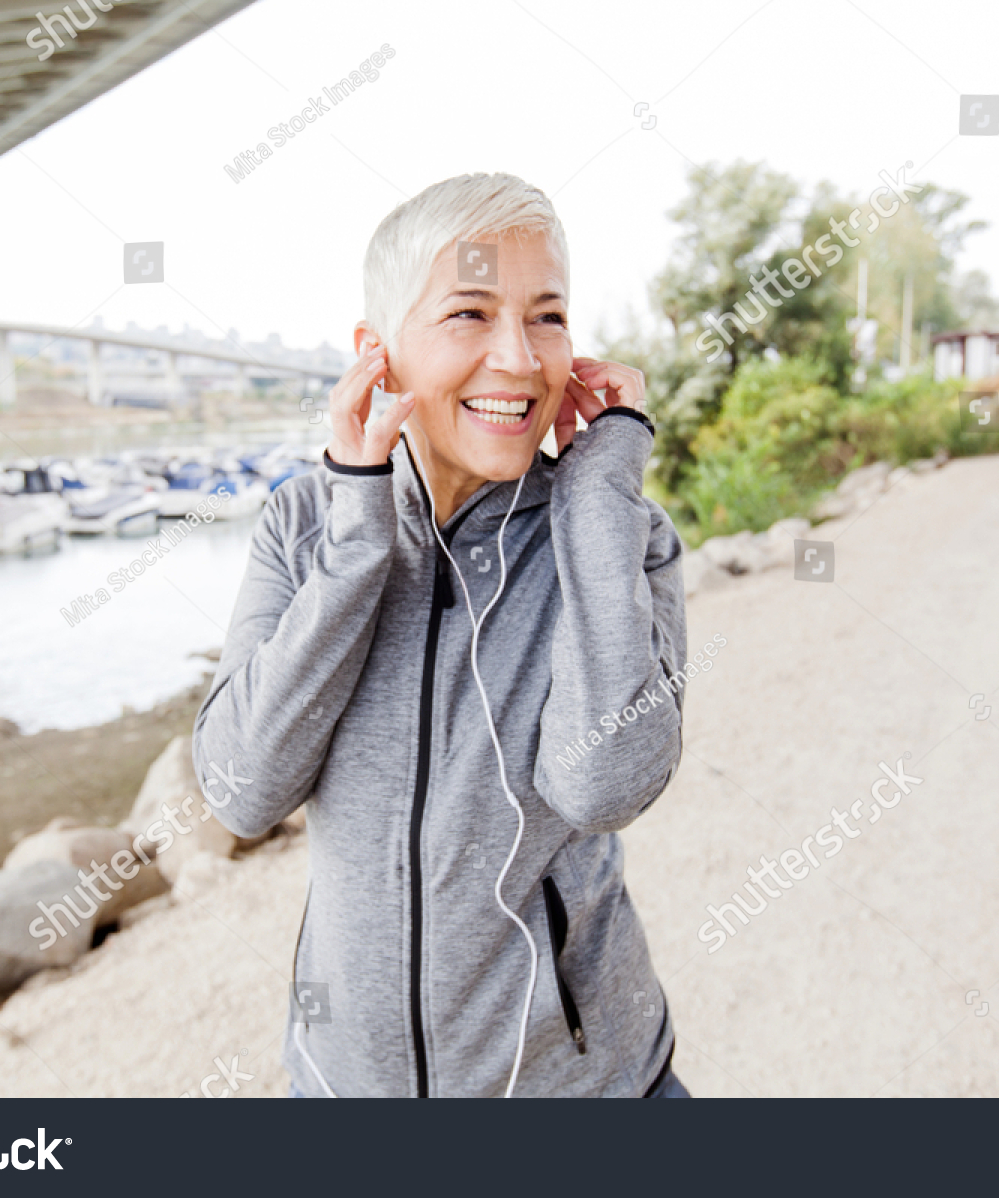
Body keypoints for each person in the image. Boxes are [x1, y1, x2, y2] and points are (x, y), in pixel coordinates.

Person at [193, 172, 690, 1097]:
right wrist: (357, 541)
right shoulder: (303, 528)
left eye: (548, 317)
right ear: (376, 355)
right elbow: (239, 791)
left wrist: (596, 494)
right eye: (470, 313)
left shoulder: (621, 535)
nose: (518, 357)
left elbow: (603, 780)